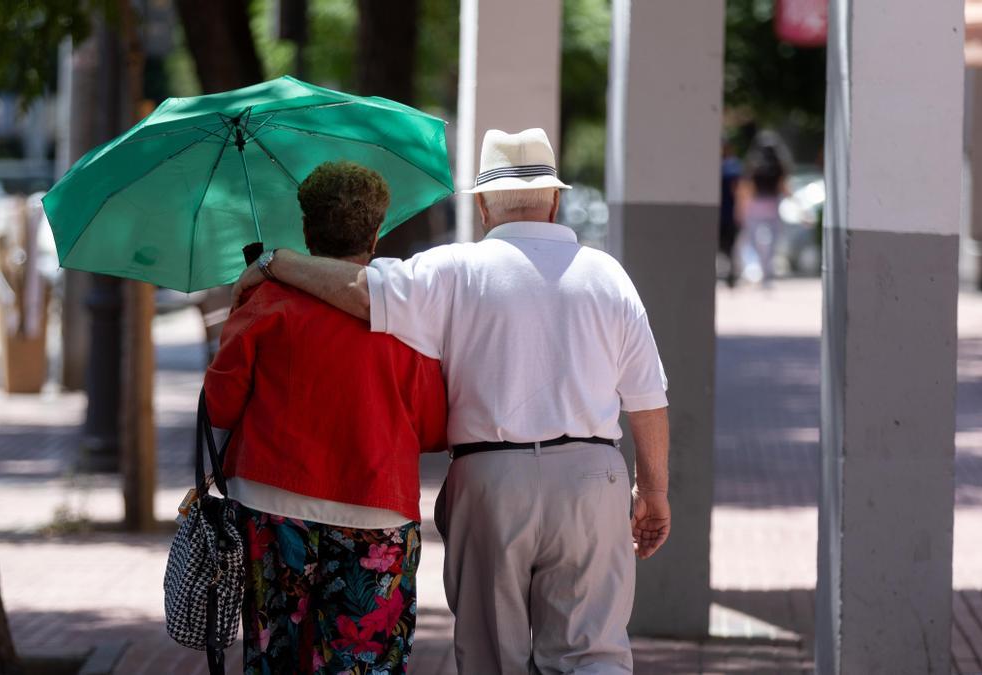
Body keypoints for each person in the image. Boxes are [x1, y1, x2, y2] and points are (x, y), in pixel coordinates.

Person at [232, 128, 672, 674]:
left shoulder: (452, 269)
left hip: (491, 480)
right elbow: (648, 396)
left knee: (493, 654)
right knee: (592, 652)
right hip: (591, 478)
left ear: (484, 206)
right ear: (554, 200)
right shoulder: (609, 276)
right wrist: (651, 490)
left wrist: (275, 263)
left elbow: (356, 290)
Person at [204, 161, 448, 674]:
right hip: (375, 509)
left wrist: (238, 310)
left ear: (307, 230)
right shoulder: (405, 314)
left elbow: (221, 405)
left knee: (276, 658)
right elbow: (431, 427)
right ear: (377, 231)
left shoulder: (265, 302)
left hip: (274, 505)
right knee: (366, 662)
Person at [737, 129, 793, 286]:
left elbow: (747, 189)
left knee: (753, 241)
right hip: (773, 206)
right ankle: (767, 273)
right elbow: (785, 188)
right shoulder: (780, 165)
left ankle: (758, 269)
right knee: (773, 242)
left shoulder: (753, 164)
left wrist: (741, 209)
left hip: (755, 207)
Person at [720, 138, 744, 287]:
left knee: (729, 246)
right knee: (727, 246)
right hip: (725, 213)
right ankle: (730, 272)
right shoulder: (729, 166)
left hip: (727, 213)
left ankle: (731, 273)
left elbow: (738, 190)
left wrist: (739, 211)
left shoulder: (731, 166)